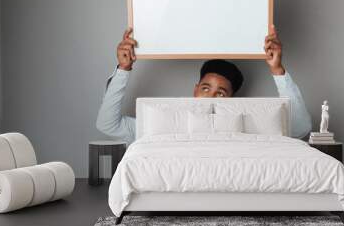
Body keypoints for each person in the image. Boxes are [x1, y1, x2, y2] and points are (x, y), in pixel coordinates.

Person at [96, 26, 312, 146]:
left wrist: (277, 70)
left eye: (221, 93)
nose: (210, 97)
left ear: (231, 100)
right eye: (206, 89)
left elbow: (300, 128)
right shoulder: (169, 121)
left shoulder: (244, 124)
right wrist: (124, 69)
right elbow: (108, 124)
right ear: (195, 90)